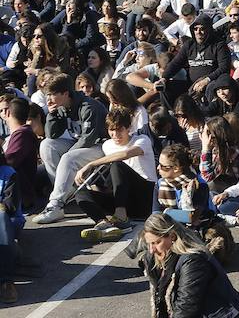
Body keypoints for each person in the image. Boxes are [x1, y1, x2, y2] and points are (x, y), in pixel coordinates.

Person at [33, 72, 108, 224]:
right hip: (81, 146)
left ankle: (56, 204)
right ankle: (65, 194)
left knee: (68, 157)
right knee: (47, 145)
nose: (48, 99)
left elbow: (88, 139)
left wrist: (67, 155)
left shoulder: (89, 106)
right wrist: (52, 115)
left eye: (52, 95)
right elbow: (52, 134)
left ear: (65, 93)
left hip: (102, 146)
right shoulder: (61, 106)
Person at [139, 212, 239, 318]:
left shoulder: (193, 261)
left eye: (156, 243)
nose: (151, 250)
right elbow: (160, 301)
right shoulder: (157, 257)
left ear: (172, 236)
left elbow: (186, 308)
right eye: (149, 243)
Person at [75, 107, 157, 242]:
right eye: (112, 130)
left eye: (119, 130)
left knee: (117, 164)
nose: (116, 135)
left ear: (128, 128)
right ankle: (103, 223)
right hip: (124, 198)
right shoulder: (107, 145)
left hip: (145, 196)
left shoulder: (142, 140)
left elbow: (125, 155)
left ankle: (120, 215)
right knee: (81, 194)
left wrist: (91, 164)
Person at [0, 149, 23, 304]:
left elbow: (9, 206)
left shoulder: (8, 174)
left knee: (0, 215)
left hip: (7, 224)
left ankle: (7, 281)